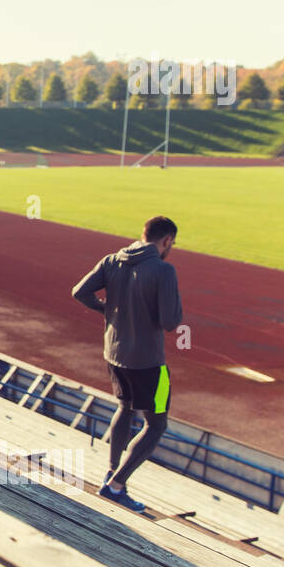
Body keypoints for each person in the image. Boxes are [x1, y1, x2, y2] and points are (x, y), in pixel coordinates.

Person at [71, 216, 183, 511]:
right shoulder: (163, 269)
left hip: (115, 355)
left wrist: (104, 308)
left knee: (125, 407)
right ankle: (116, 485)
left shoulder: (112, 260)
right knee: (157, 425)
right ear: (167, 240)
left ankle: (111, 469)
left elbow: (79, 291)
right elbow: (171, 321)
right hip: (149, 363)